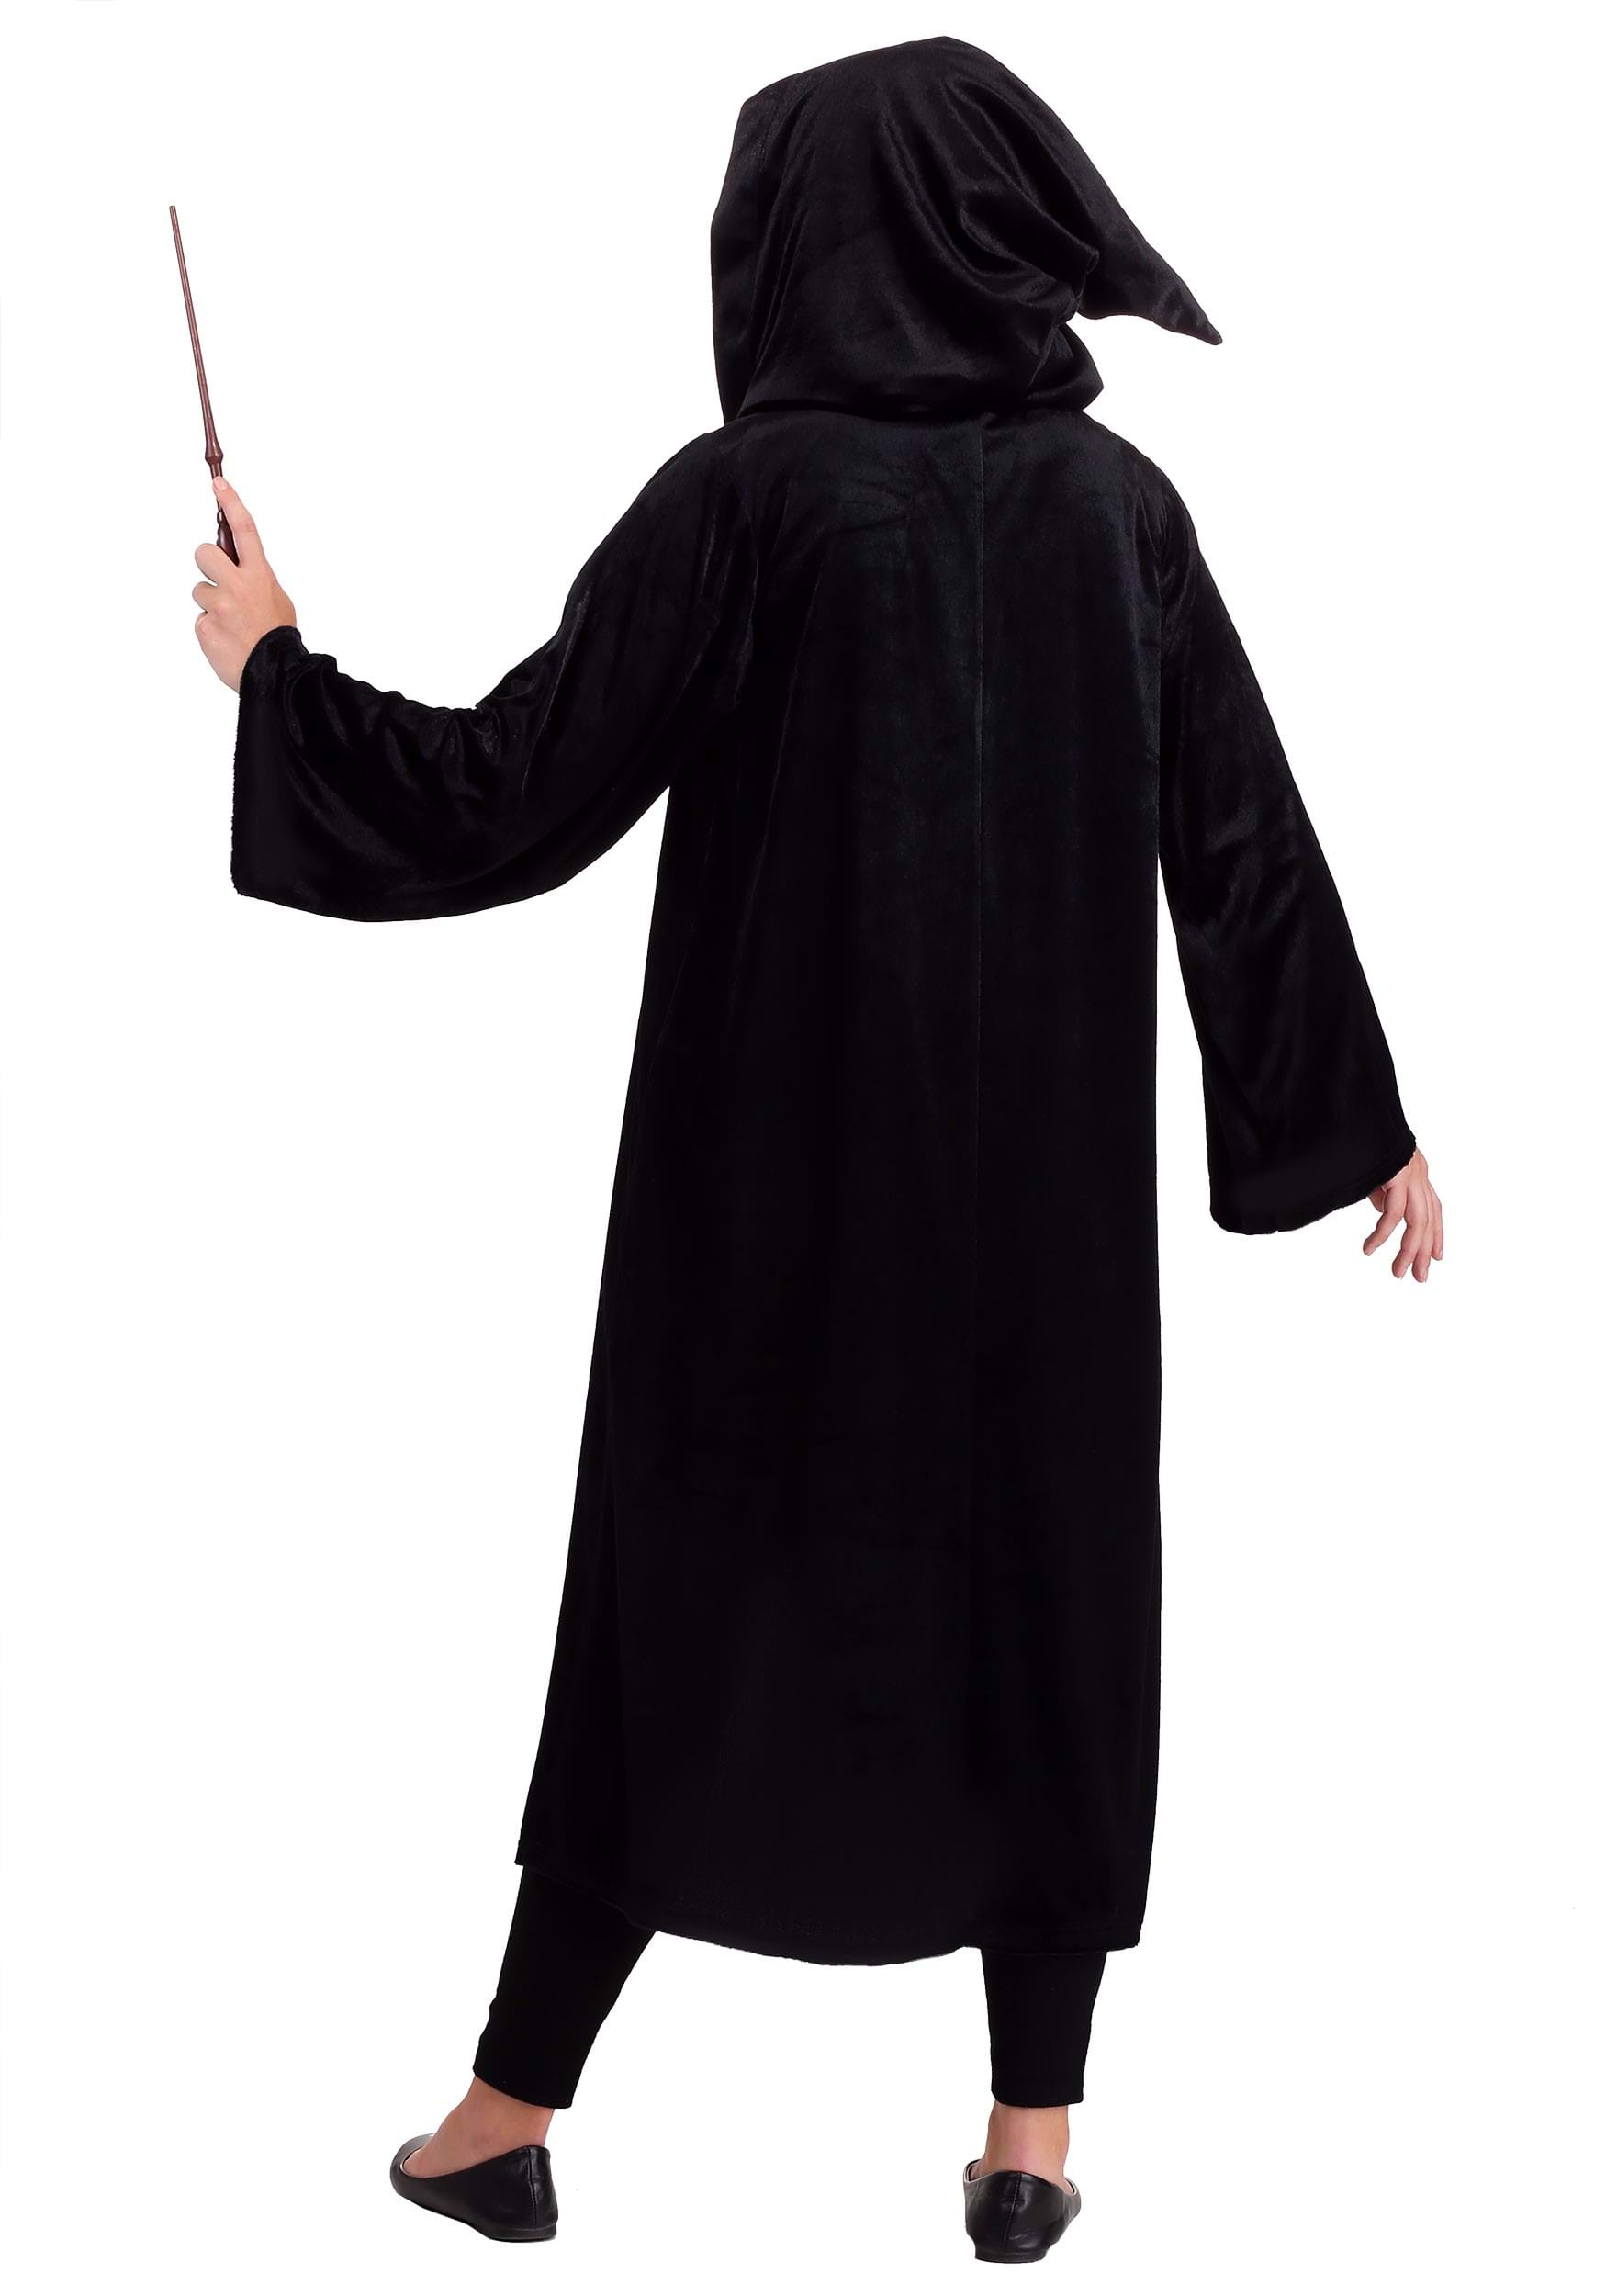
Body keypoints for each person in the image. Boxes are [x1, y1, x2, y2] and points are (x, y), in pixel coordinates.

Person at [190, 36, 1443, 2265]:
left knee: (677, 1604)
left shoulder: (748, 499)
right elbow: (1236, 834)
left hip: (767, 1210)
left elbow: (516, 785)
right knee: (1043, 1609)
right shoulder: (1117, 512)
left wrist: (276, 674)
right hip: (1045, 1227)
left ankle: (505, 2110)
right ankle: (1028, 2141)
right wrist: (1359, 1124)